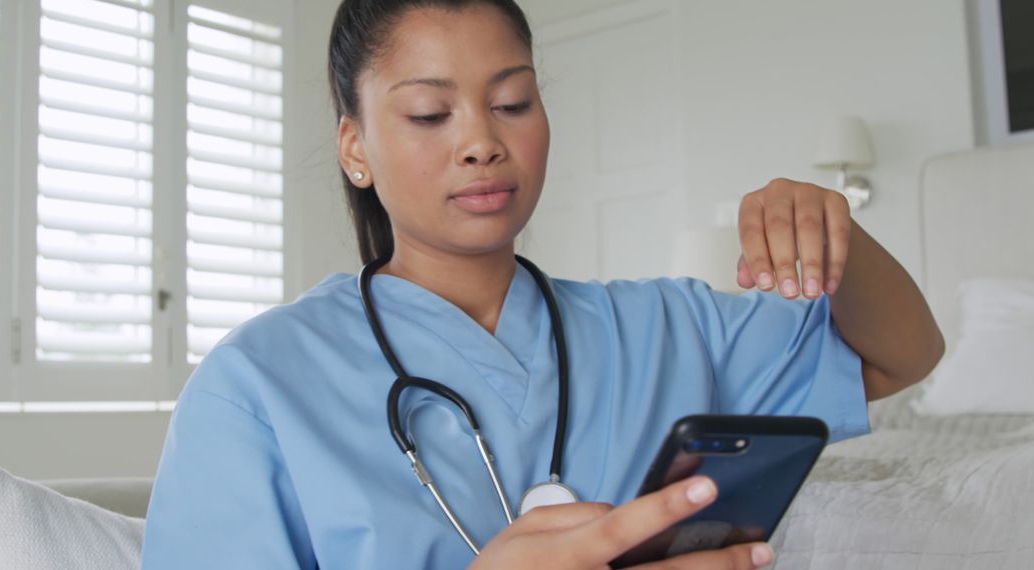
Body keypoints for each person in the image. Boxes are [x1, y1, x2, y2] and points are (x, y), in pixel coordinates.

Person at [140, 0, 944, 568]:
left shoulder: (668, 328)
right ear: (355, 149)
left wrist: (838, 232)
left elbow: (905, 353)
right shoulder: (255, 386)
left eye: (512, 101)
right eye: (430, 113)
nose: (483, 142)